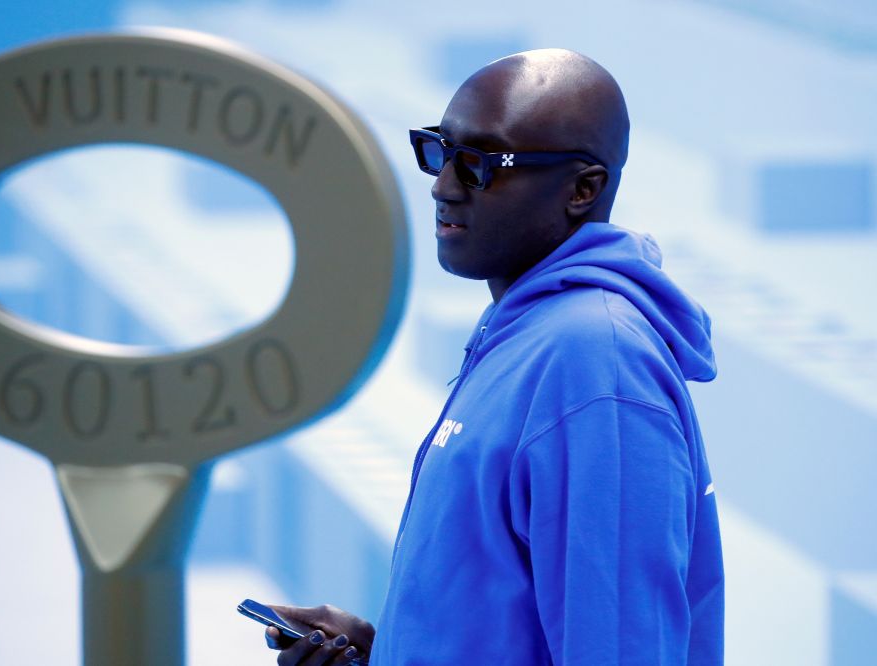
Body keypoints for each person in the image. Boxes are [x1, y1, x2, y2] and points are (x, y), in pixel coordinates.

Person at [264, 48, 724, 665]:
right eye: (441, 150)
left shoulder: (596, 365)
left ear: (582, 189)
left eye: (482, 163)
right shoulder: (528, 332)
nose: (443, 184)